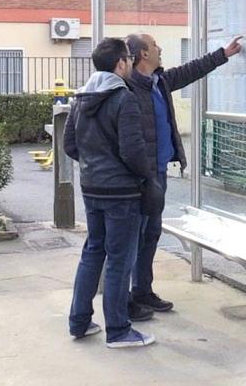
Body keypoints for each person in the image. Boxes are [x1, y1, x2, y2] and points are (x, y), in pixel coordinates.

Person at [124, 32, 242, 317]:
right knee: (132, 237)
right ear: (143, 54)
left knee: (151, 233)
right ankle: (126, 301)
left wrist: (222, 55)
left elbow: (189, 71)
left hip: (160, 171)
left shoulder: (159, 81)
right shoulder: (126, 88)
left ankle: (143, 292)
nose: (160, 48)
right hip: (139, 175)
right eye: (155, 45)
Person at [63, 37, 155, 348]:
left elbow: (70, 145)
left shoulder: (82, 98)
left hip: (92, 189)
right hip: (122, 194)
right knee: (119, 260)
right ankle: (118, 330)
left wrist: (95, 166)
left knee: (93, 252)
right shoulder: (123, 97)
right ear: (120, 64)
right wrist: (145, 176)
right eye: (128, 59)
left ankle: (79, 322)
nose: (130, 63)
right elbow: (133, 150)